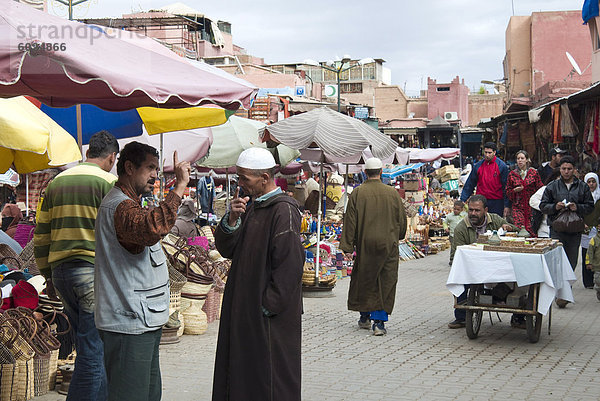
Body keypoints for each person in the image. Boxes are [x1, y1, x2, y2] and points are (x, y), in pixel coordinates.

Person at [94, 142, 190, 401]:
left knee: (148, 393)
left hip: (140, 319)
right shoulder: (120, 206)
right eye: (149, 168)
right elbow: (151, 229)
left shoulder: (129, 204)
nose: (154, 176)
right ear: (128, 167)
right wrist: (179, 187)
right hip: (128, 321)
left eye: (156, 169)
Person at [212, 147, 304, 401]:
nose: (240, 184)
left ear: (264, 178)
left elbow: (289, 266)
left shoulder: (283, 210)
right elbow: (228, 248)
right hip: (246, 311)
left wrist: (268, 305)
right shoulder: (252, 208)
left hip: (267, 318)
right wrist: (231, 219)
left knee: (270, 378)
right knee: (243, 374)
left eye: (245, 178)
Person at [33, 130, 119, 401]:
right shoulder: (110, 182)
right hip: (93, 273)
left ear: (87, 153)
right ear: (112, 157)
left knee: (89, 348)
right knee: (93, 350)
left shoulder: (57, 182)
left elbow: (41, 234)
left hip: (61, 274)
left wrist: (47, 277)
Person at [340, 157, 407, 336]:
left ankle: (364, 317)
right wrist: (397, 236)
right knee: (385, 280)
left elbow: (350, 221)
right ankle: (379, 322)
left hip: (365, 244)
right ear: (381, 172)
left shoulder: (357, 193)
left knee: (365, 279)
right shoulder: (393, 193)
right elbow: (402, 221)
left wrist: (347, 247)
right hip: (388, 244)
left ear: (365, 173)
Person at [448, 195, 515, 328]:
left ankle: (518, 317)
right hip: (473, 267)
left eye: (477, 210)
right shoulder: (461, 228)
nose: (473, 213)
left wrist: (509, 228)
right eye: (471, 210)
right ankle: (461, 317)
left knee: (519, 278)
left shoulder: (495, 219)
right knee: (460, 278)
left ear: (485, 210)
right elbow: (456, 255)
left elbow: (515, 229)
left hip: (497, 265)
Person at [540, 156, 594, 308]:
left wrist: (578, 207)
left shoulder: (582, 186)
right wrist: (554, 207)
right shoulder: (552, 186)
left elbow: (590, 206)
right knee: (556, 261)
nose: (566, 171)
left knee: (571, 262)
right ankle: (556, 293)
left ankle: (565, 293)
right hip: (557, 229)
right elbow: (543, 205)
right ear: (560, 169)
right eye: (563, 169)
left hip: (575, 230)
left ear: (574, 170)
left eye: (569, 169)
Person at [460, 142, 510, 217]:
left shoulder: (502, 166)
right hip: (481, 201)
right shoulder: (478, 166)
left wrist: (507, 205)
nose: (487, 155)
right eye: (485, 152)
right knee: (480, 223)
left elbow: (506, 187)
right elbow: (470, 183)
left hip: (497, 202)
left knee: (495, 225)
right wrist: (463, 199)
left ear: (494, 152)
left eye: (489, 153)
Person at [506, 150, 543, 236]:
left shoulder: (534, 173)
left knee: (532, 230)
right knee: (519, 229)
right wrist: (515, 191)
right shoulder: (512, 174)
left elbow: (540, 189)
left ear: (527, 160)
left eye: (522, 158)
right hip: (518, 207)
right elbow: (507, 191)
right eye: (518, 158)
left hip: (531, 207)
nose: (520, 160)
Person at [580, 172, 600, 289]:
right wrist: (582, 222)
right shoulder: (582, 196)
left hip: (597, 230)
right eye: (589, 182)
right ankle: (588, 282)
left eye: (593, 182)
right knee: (586, 254)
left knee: (597, 254)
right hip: (586, 230)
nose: (591, 184)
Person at [444, 200, 466, 264]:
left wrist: (464, 204)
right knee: (453, 248)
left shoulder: (464, 215)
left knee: (461, 247)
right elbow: (445, 222)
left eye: (458, 209)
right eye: (454, 209)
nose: (456, 211)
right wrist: (445, 228)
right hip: (452, 235)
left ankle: (460, 260)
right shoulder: (450, 216)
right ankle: (452, 260)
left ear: (462, 209)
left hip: (462, 235)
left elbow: (468, 210)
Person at [585, 223, 600, 301]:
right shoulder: (594, 240)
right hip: (597, 265)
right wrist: (589, 262)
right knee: (598, 280)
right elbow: (589, 252)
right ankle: (598, 290)